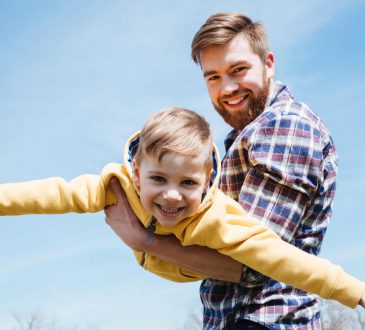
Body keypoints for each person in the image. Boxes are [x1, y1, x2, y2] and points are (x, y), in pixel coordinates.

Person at [104, 13, 348, 329]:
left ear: (268, 63)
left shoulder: (284, 126)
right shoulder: (245, 137)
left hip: (265, 320)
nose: (228, 88)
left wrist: (143, 240)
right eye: (213, 77)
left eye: (238, 70)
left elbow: (253, 262)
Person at [1, 107, 364, 315]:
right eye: (158, 179)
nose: (172, 196)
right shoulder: (116, 187)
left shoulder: (216, 219)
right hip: (161, 259)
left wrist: (356, 292)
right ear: (137, 173)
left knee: (259, 258)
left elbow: (286, 259)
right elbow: (50, 194)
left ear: (207, 181)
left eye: (188, 184)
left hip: (203, 266)